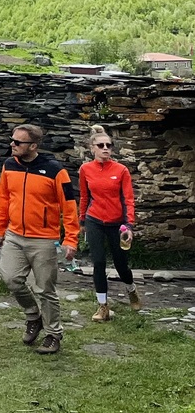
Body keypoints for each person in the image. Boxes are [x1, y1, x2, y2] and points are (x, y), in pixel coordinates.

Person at [0, 123, 79, 355]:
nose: (12, 144)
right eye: (12, 140)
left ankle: (53, 334)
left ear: (33, 145)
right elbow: (3, 199)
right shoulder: (9, 166)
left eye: (17, 142)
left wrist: (71, 239)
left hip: (44, 239)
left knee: (45, 289)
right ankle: (33, 316)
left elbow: (69, 207)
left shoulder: (55, 170)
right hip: (14, 236)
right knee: (10, 279)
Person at [78, 124, 141, 321]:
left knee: (121, 265)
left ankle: (131, 289)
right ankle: (103, 306)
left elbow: (128, 199)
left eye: (109, 145)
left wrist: (129, 225)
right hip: (94, 220)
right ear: (92, 148)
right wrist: (81, 221)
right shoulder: (85, 169)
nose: (106, 148)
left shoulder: (121, 170)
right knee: (98, 262)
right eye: (101, 145)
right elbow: (84, 197)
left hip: (118, 224)